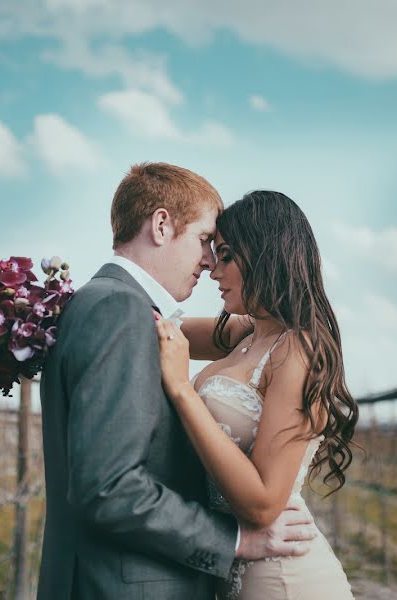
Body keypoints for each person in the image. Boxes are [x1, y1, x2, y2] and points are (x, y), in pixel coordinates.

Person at [37, 165, 319, 600]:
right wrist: (234, 540)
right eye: (207, 242)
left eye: (222, 253)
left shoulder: (114, 306)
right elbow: (109, 486)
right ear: (162, 224)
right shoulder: (120, 311)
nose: (209, 264)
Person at [155, 190, 358, 599]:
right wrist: (41, 309)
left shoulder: (298, 351)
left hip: (285, 581)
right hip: (233, 576)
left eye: (226, 255)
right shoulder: (246, 331)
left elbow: (264, 504)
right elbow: (154, 327)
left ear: (267, 255)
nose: (213, 269)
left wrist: (181, 389)